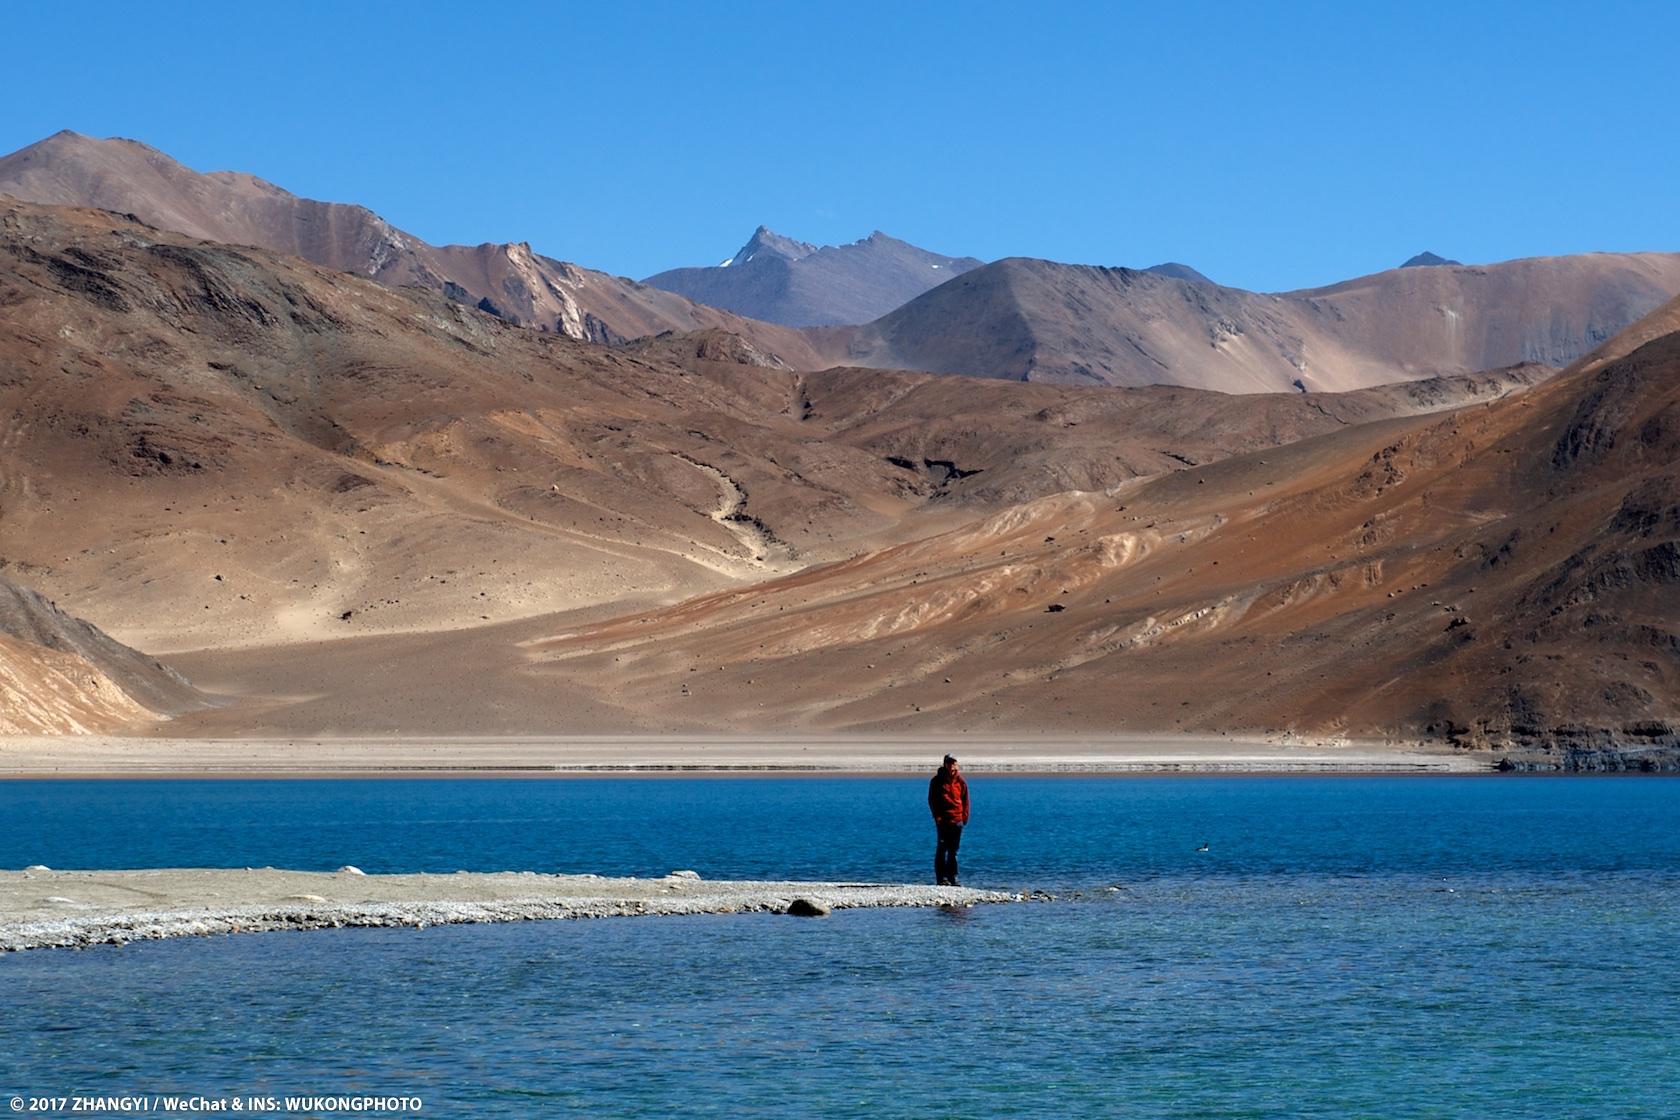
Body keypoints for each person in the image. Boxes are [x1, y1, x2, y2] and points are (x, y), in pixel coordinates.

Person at [927, 754, 970, 886]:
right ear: (945, 764)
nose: (952, 765)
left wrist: (964, 817)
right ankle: (941, 878)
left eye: (954, 763)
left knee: (954, 851)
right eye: (949, 763)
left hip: (957, 820)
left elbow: (965, 800)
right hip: (943, 821)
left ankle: (953, 877)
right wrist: (937, 817)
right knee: (942, 849)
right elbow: (932, 800)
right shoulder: (936, 781)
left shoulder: (960, 781)